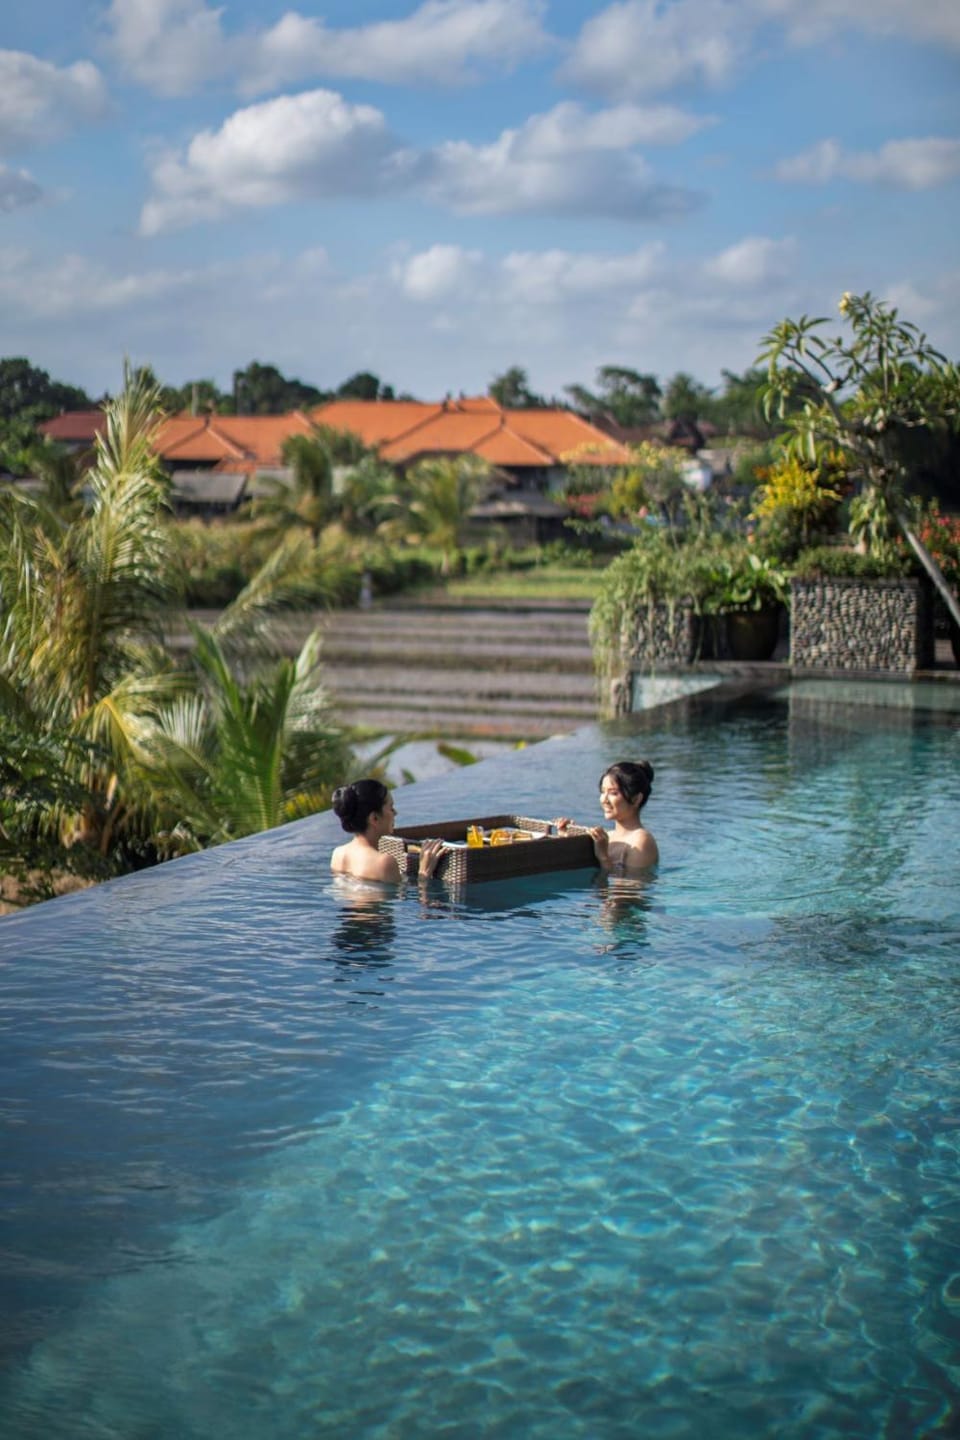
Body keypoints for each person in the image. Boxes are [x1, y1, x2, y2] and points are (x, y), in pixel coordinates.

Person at [330, 779, 447, 883]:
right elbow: (408, 899)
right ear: (374, 818)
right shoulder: (384, 862)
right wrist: (424, 874)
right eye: (391, 808)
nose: (395, 813)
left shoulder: (338, 854)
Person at [556, 760, 659, 876]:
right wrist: (565, 840)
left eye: (613, 793)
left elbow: (631, 886)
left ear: (636, 799)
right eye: (602, 792)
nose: (604, 800)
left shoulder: (641, 841)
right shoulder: (606, 837)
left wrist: (603, 857)